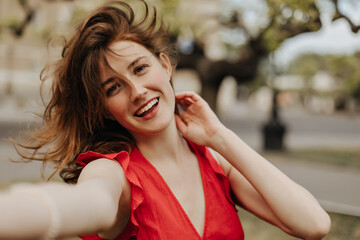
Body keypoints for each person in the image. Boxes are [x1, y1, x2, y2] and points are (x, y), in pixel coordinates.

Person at [0, 1, 331, 239]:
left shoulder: (215, 162)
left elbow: (313, 224)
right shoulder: (110, 171)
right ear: (102, 108)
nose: (138, 91)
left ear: (165, 65)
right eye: (114, 87)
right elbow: (91, 204)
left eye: (140, 68)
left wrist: (219, 136)